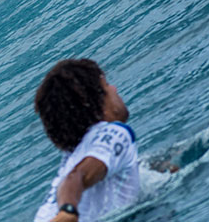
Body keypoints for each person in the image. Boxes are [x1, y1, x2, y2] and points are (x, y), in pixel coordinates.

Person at [33, 59, 140, 222]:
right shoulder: (116, 133)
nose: (114, 89)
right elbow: (77, 176)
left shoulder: (74, 154)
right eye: (106, 86)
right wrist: (68, 211)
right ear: (96, 103)